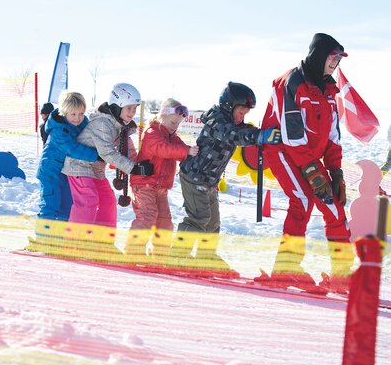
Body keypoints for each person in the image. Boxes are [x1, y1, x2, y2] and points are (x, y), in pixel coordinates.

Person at [258, 33, 353, 294]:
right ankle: (286, 269)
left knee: (334, 205)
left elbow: (333, 136)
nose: (336, 62)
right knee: (302, 200)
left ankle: (342, 274)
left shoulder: (330, 91)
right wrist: (314, 173)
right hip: (281, 150)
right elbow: (292, 135)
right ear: (320, 55)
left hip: (308, 155)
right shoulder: (291, 82)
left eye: (339, 59)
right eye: (332, 56)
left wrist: (335, 172)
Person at [173, 82, 281, 266]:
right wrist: (258, 137)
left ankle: (206, 256)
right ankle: (175, 256)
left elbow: (242, 130)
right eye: (241, 112)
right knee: (199, 218)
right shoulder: (217, 122)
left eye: (246, 114)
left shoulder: (232, 123)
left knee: (213, 222)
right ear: (229, 106)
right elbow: (232, 135)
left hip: (208, 180)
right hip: (194, 177)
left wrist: (261, 134)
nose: (243, 117)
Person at [62, 83, 154, 229]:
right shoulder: (102, 123)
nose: (132, 113)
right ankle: (73, 244)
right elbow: (108, 153)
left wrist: (139, 164)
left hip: (95, 170)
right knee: (88, 201)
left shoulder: (121, 126)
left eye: (135, 109)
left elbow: (127, 149)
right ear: (117, 107)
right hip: (78, 166)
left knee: (108, 201)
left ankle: (103, 241)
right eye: (129, 108)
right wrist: (134, 168)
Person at [126, 98, 199, 259]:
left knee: (165, 221)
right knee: (147, 216)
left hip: (160, 188)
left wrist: (195, 157)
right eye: (173, 122)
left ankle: (160, 255)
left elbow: (180, 151)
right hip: (143, 184)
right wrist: (186, 151)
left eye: (178, 124)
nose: (176, 126)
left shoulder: (172, 136)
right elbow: (164, 150)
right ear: (162, 116)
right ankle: (133, 252)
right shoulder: (153, 132)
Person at [36, 91, 98, 221]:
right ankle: (42, 237)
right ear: (64, 113)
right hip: (50, 171)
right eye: (73, 114)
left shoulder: (82, 124)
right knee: (50, 204)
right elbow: (72, 149)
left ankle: (61, 236)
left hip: (65, 172)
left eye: (81, 113)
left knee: (66, 206)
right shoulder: (58, 131)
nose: (78, 118)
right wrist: (96, 156)